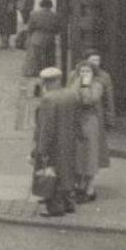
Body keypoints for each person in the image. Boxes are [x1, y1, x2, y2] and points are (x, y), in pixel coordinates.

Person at [32, 66, 81, 217]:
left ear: (45, 82)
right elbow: (77, 119)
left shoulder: (48, 99)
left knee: (52, 175)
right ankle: (69, 204)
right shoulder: (71, 94)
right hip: (69, 142)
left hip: (54, 145)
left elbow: (47, 128)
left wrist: (42, 150)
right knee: (67, 173)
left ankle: (55, 208)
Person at [69, 60, 109, 204]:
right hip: (77, 122)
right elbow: (71, 96)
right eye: (82, 71)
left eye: (88, 71)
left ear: (93, 73)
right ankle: (80, 185)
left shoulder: (97, 85)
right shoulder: (75, 83)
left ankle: (90, 189)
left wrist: (85, 85)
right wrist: (79, 84)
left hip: (90, 122)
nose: (84, 74)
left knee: (90, 156)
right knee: (79, 155)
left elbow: (89, 100)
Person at [22, 0, 60, 77]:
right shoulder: (54, 15)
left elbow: (30, 27)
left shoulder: (34, 14)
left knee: (35, 57)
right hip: (50, 37)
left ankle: (34, 72)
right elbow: (57, 29)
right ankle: (48, 72)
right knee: (49, 57)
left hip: (37, 36)